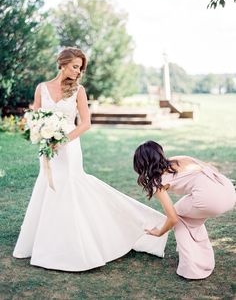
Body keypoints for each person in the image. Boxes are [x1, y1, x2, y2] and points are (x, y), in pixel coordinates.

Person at [13, 47, 168, 271]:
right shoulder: (42, 88)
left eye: (80, 68)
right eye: (75, 66)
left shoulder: (79, 90)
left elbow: (85, 123)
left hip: (69, 148)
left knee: (69, 186)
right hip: (47, 148)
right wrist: (36, 129)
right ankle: (46, 240)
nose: (78, 72)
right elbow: (34, 115)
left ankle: (80, 240)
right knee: (48, 186)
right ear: (63, 63)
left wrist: (63, 140)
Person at [133, 140, 236, 280]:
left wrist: (160, 232)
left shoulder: (158, 183)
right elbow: (210, 168)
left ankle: (192, 268)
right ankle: (201, 256)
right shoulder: (179, 159)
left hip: (210, 199)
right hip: (227, 189)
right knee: (188, 218)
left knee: (178, 216)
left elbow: (173, 218)